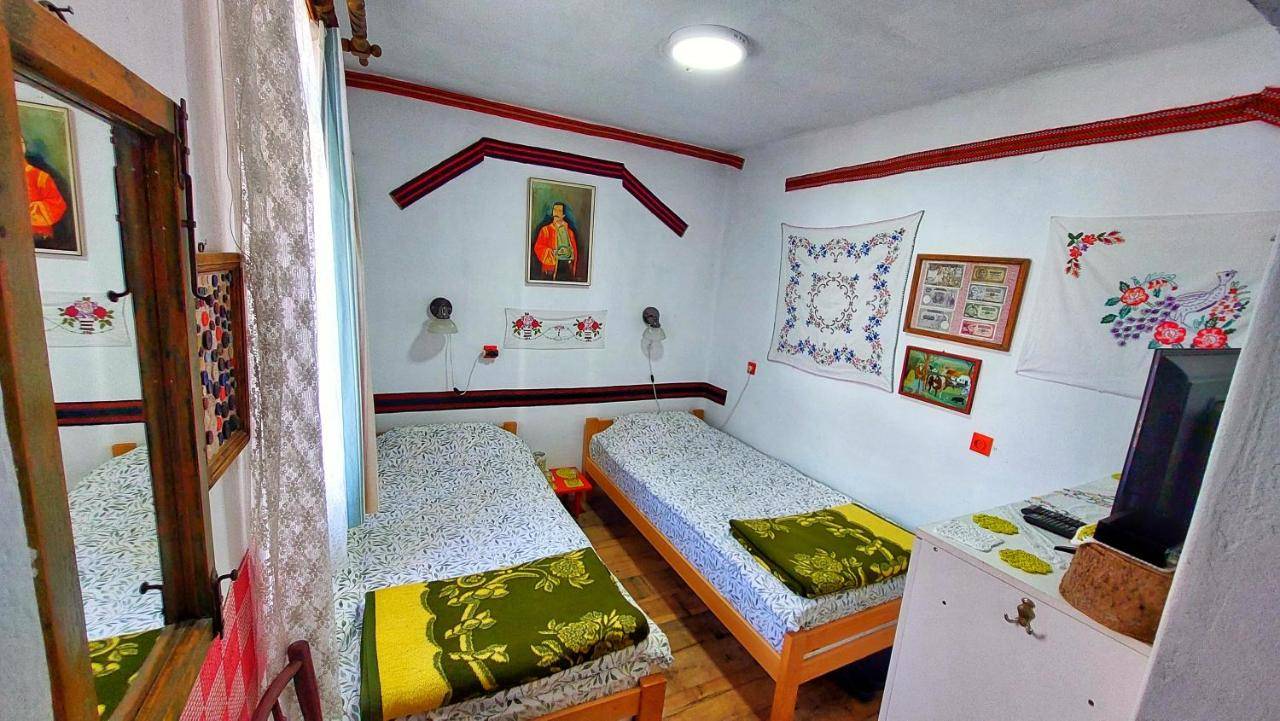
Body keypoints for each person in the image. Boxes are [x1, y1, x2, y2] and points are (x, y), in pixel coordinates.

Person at [23, 136, 67, 239]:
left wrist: (24, 211)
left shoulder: (40, 176)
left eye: (20, 142)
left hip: (38, 236)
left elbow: (58, 205)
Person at [532, 201, 578, 281]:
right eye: (555, 210)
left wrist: (569, 253)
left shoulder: (570, 232)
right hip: (551, 270)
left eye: (559, 211)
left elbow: (574, 252)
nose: (556, 213)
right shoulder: (545, 230)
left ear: (563, 215)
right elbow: (538, 247)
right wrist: (553, 253)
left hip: (566, 269)